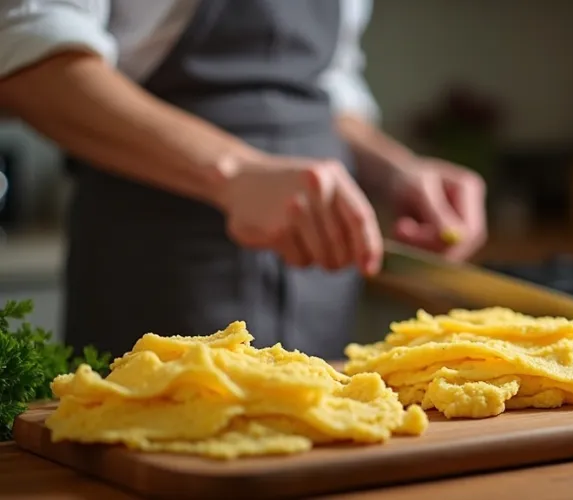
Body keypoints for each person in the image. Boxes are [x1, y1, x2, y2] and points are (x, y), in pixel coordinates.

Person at [0, 0, 487, 359]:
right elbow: (27, 55)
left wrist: (397, 170)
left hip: (320, 282)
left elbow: (327, 87)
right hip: (160, 265)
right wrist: (234, 172)